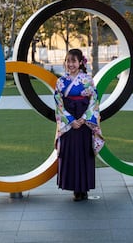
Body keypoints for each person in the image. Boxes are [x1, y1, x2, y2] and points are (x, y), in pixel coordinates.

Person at [54, 48, 102, 202]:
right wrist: (70, 120)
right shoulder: (61, 81)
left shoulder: (87, 80)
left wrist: (83, 119)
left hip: (84, 121)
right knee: (70, 154)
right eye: (68, 61)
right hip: (69, 123)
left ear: (81, 62)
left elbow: (94, 101)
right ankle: (75, 188)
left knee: (84, 154)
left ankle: (84, 188)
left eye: (74, 61)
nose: (70, 64)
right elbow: (58, 104)